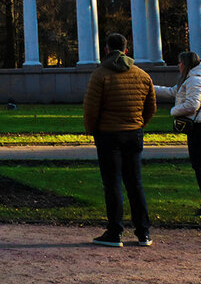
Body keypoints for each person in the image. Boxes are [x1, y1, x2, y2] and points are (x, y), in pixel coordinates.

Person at [83, 33, 155, 247]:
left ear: (106, 50)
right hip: (134, 134)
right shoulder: (142, 75)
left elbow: (90, 109)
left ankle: (115, 232)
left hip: (108, 135)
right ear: (126, 50)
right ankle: (144, 233)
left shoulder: (100, 75)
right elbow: (151, 107)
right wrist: (139, 124)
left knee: (112, 184)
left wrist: (92, 130)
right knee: (135, 184)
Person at [153, 50, 201, 217]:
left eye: (180, 62)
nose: (178, 65)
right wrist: (149, 87)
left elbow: (191, 105)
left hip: (199, 126)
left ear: (187, 64)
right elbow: (173, 91)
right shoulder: (192, 79)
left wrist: (173, 111)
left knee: (200, 165)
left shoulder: (195, 80)